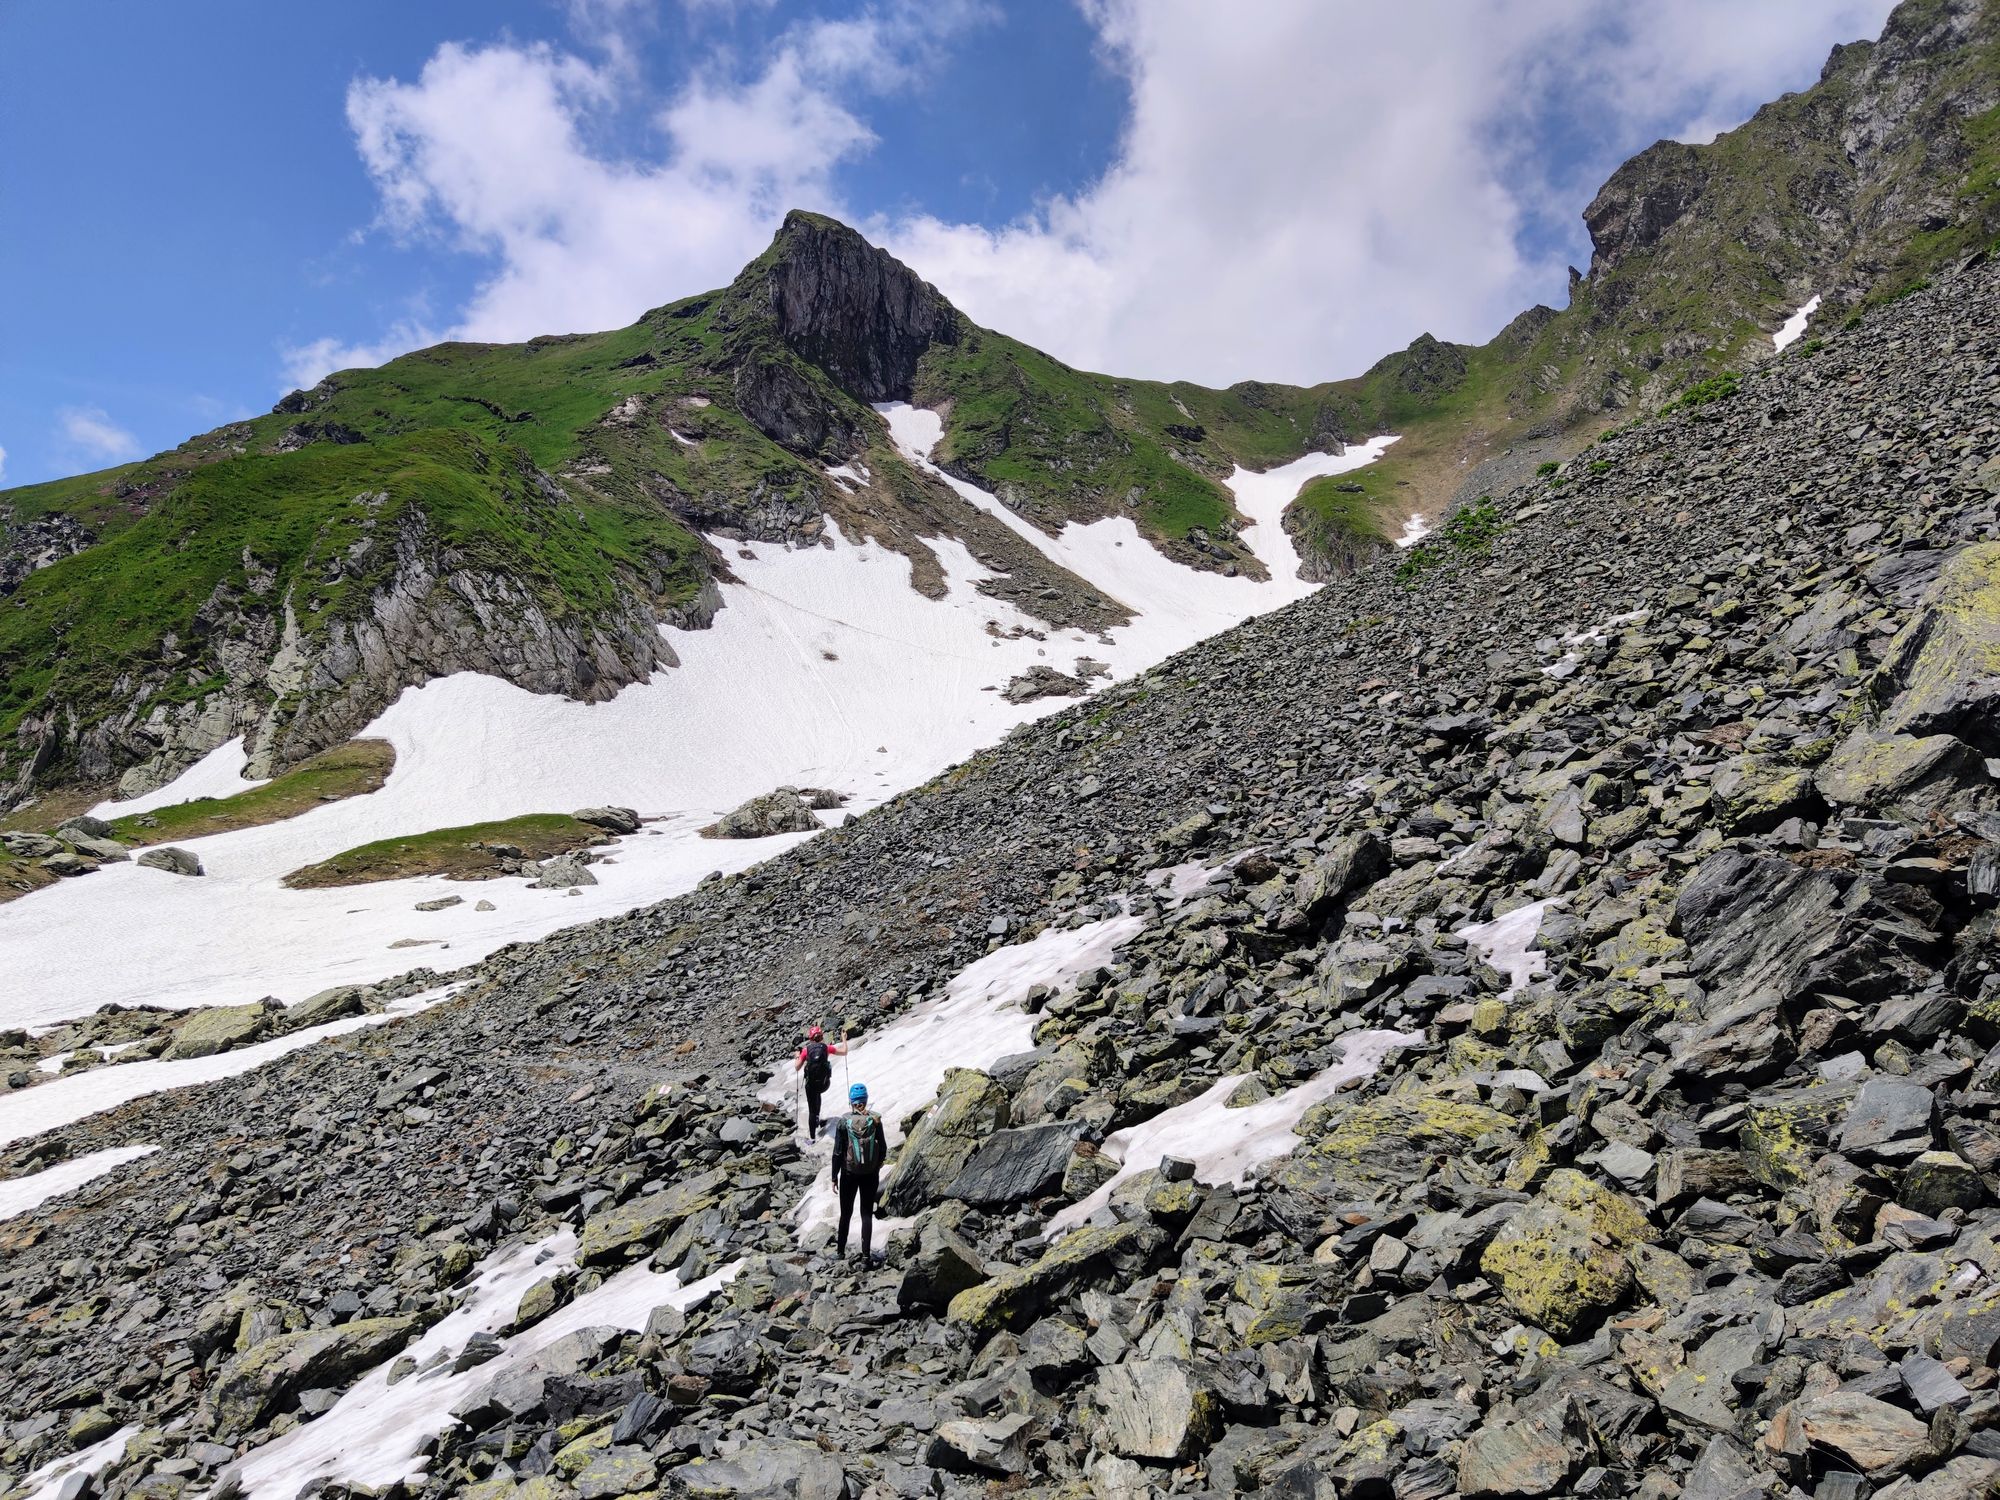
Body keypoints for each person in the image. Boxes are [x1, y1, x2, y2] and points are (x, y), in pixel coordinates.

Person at [829, 1083, 888, 1263]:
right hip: (870, 1174)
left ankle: (840, 1252)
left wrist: (834, 1177)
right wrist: (876, 1165)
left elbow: (838, 1152)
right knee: (865, 1214)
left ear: (851, 1102)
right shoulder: (874, 1120)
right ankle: (865, 1256)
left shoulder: (844, 1122)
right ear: (865, 1100)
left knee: (846, 1213)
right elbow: (883, 1147)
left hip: (849, 1174)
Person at [793, 1025, 845, 1139]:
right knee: (818, 1095)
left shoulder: (806, 1051)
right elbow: (844, 1052)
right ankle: (817, 1119)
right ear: (822, 1036)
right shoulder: (826, 1048)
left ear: (810, 1039)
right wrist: (844, 1039)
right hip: (824, 1084)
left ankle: (812, 1138)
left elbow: (797, 1067)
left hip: (811, 1085)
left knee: (812, 1108)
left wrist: (797, 1056)